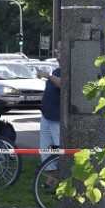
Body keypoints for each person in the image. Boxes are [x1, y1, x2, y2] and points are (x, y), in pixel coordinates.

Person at [38, 46, 63, 184]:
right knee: (46, 148)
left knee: (59, 148)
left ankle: (64, 179)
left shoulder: (69, 70)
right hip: (47, 115)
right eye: (56, 49)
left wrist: (48, 76)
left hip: (57, 117)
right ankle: (50, 179)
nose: (56, 51)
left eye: (59, 49)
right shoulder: (57, 70)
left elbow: (63, 84)